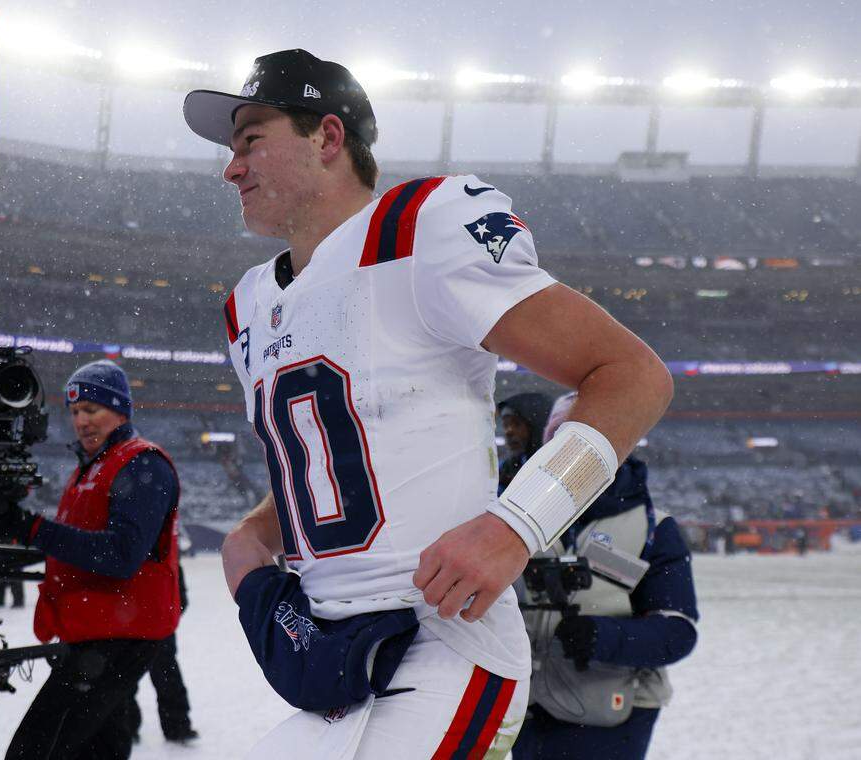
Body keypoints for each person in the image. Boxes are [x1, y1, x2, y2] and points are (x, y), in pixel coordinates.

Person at [182, 49, 674, 758]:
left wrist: (515, 526)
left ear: (327, 137)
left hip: (445, 639)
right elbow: (342, 455)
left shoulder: (421, 228)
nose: (231, 168)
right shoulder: (249, 306)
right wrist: (258, 530)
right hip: (336, 654)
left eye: (251, 140)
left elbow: (632, 375)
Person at [0, 360, 182, 760]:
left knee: (36, 750)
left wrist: (31, 527)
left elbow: (120, 555)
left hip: (120, 632)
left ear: (120, 410)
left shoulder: (142, 463)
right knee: (100, 748)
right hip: (97, 627)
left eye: (92, 410)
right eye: (74, 412)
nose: (81, 421)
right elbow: (68, 552)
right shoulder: (92, 467)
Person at [513, 392, 699, 760]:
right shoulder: (515, 516)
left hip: (615, 712)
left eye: (593, 442)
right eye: (563, 442)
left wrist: (604, 636)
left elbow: (678, 631)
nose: (576, 457)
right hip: (527, 710)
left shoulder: (654, 527)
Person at [127, 563, 199, 744]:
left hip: (154, 624)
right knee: (130, 678)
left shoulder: (163, 554)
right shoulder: (160, 551)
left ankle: (175, 726)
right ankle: (129, 725)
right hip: (138, 624)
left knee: (163, 675)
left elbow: (179, 594)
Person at [496, 393, 555, 494]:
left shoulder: (554, 464)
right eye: (505, 425)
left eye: (517, 424)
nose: (508, 431)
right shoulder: (506, 468)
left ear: (536, 425)